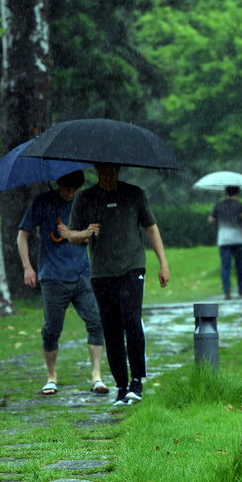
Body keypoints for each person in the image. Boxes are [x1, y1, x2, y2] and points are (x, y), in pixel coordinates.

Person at [65, 163, 170, 405]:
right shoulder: (85, 198)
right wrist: (86, 233)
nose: (109, 174)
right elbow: (71, 235)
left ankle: (137, 381)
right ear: (97, 170)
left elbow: (151, 229)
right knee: (111, 329)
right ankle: (121, 385)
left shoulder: (135, 194)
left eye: (113, 170)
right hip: (102, 272)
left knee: (132, 320)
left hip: (132, 267)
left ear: (119, 169)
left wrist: (163, 263)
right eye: (104, 170)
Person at [17, 170, 108, 396]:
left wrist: (71, 233)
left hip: (82, 273)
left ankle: (97, 375)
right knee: (51, 329)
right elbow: (22, 235)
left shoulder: (84, 202)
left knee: (96, 321)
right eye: (67, 188)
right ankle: (51, 376)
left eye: (75, 189)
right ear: (59, 183)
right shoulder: (43, 202)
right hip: (52, 276)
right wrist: (28, 267)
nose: (70, 193)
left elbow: (90, 234)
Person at [208, 186, 242, 300]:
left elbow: (211, 220)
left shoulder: (219, 205)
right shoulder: (241, 206)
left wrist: (221, 218)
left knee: (225, 267)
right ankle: (241, 292)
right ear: (238, 192)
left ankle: (227, 293)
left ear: (226, 192)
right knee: (240, 267)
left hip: (224, 241)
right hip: (239, 240)